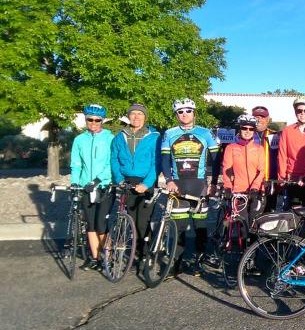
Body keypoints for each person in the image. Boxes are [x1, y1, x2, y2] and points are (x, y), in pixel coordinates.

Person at [159, 98, 220, 270]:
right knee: (178, 228)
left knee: (200, 227)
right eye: (180, 112)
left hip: (199, 185)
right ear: (176, 115)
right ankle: (175, 263)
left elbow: (216, 160)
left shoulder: (206, 133)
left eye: (188, 111)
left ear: (194, 113)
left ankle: (198, 262)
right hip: (178, 185)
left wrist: (213, 183)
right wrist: (169, 180)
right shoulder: (169, 133)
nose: (184, 114)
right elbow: (164, 160)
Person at [110, 103, 160, 257]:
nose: (136, 117)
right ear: (128, 116)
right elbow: (114, 159)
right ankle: (136, 252)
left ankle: (145, 254)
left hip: (147, 181)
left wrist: (147, 183)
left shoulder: (154, 137)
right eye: (133, 114)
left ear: (145, 117)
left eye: (140, 114)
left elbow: (156, 162)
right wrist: (119, 179)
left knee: (142, 221)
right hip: (127, 180)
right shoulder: (120, 136)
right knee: (131, 219)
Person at [71, 104, 115, 271]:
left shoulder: (110, 138)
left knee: (101, 223)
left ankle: (108, 257)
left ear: (102, 121)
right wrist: (75, 183)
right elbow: (76, 164)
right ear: (86, 119)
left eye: (98, 120)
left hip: (103, 186)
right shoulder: (79, 140)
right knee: (90, 224)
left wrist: (98, 180)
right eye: (90, 119)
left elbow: (111, 163)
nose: (94, 123)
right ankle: (95, 258)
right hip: (85, 187)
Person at [220, 114, 265, 232]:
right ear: (239, 129)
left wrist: (255, 188)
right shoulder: (231, 148)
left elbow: (262, 170)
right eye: (244, 128)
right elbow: (226, 169)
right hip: (239, 192)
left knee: (255, 224)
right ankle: (244, 249)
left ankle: (254, 249)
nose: (247, 131)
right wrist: (228, 187)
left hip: (256, 192)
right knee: (243, 225)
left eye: (251, 129)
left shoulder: (259, 148)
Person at [277, 97, 305, 206]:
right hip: (292, 177)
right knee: (293, 213)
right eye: (299, 110)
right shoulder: (287, 130)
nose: (302, 113)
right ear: (295, 112)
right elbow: (282, 155)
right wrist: (282, 177)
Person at [250, 105, 280, 210]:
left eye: (262, 117)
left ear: (267, 120)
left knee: (269, 214)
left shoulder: (276, 135)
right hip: (251, 182)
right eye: (256, 117)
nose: (259, 119)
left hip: (270, 182)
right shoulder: (246, 134)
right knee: (252, 211)